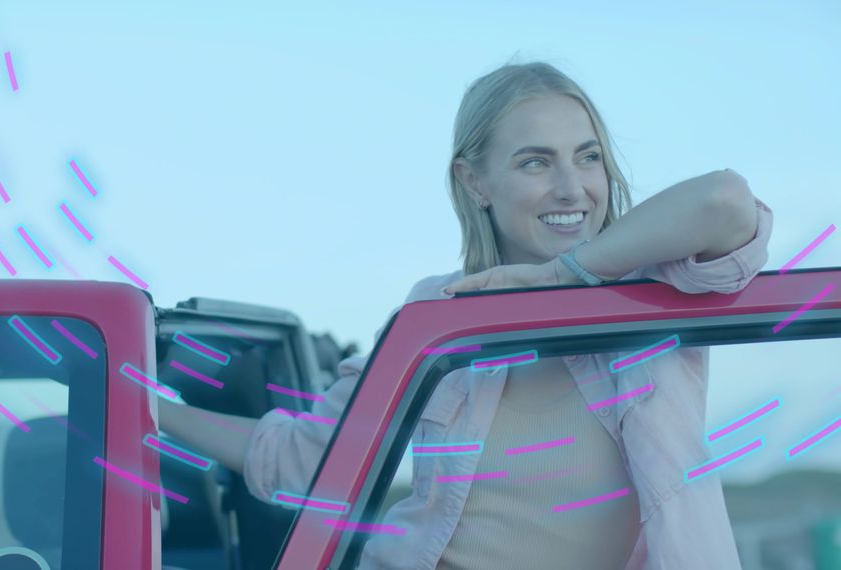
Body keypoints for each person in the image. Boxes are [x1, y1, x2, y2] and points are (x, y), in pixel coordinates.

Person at [160, 60, 772, 569]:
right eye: (535, 162)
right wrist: (143, 402)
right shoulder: (440, 314)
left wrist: (566, 275)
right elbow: (302, 457)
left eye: (587, 158)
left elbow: (725, 202)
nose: (571, 188)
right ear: (474, 182)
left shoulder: (651, 297)